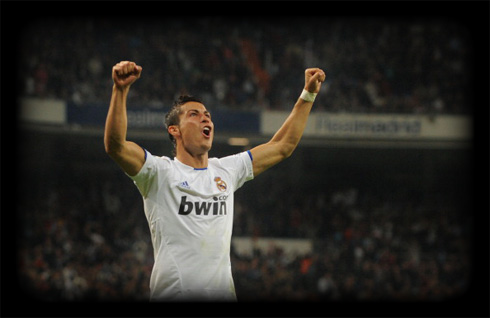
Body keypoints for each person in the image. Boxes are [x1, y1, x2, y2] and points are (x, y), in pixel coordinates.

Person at [104, 61, 325, 301]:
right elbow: (116, 146)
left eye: (207, 115)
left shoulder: (226, 170)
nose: (205, 119)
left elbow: (282, 146)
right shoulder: (159, 173)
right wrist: (120, 90)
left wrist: (309, 94)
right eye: (194, 115)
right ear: (174, 131)